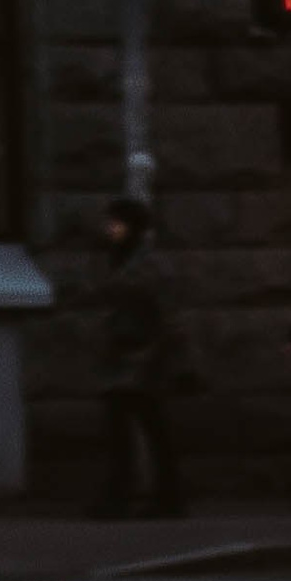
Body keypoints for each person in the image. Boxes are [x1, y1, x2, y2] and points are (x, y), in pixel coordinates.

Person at [92, 193, 183, 519]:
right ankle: (141, 496)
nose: (109, 229)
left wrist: (152, 354)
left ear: (132, 227)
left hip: (143, 357)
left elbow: (167, 314)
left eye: (115, 223)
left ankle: (150, 497)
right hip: (122, 355)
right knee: (131, 428)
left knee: (147, 428)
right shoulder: (118, 258)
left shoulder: (151, 265)